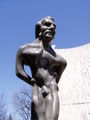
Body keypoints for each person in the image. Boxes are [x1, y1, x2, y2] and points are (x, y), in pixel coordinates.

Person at [16, 16, 67, 120]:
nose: (52, 27)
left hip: (52, 90)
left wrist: (55, 82)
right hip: (38, 89)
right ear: (39, 28)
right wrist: (33, 82)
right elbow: (18, 71)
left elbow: (63, 63)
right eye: (47, 24)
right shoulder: (25, 49)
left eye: (54, 27)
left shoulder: (54, 55)